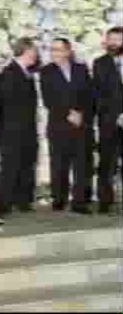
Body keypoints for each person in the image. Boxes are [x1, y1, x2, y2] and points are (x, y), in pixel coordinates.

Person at [40, 38, 93, 214]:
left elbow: (88, 95)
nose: (55, 53)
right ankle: (59, 199)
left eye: (59, 49)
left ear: (68, 51)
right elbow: (49, 99)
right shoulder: (46, 71)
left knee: (81, 165)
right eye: (52, 49)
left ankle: (80, 202)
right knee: (59, 164)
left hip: (80, 124)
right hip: (59, 125)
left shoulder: (81, 69)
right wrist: (69, 114)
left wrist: (81, 114)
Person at [0, 37, 39, 217]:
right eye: (33, 51)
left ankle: (23, 201)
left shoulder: (26, 73)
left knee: (26, 165)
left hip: (26, 129)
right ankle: (2, 204)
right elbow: (7, 103)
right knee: (10, 167)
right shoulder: (10, 73)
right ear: (26, 51)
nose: (36, 55)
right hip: (12, 130)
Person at [92, 26, 123, 214]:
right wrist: (118, 115)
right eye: (111, 39)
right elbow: (99, 95)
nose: (114, 43)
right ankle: (105, 201)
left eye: (118, 40)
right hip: (109, 122)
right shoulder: (99, 64)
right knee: (107, 163)